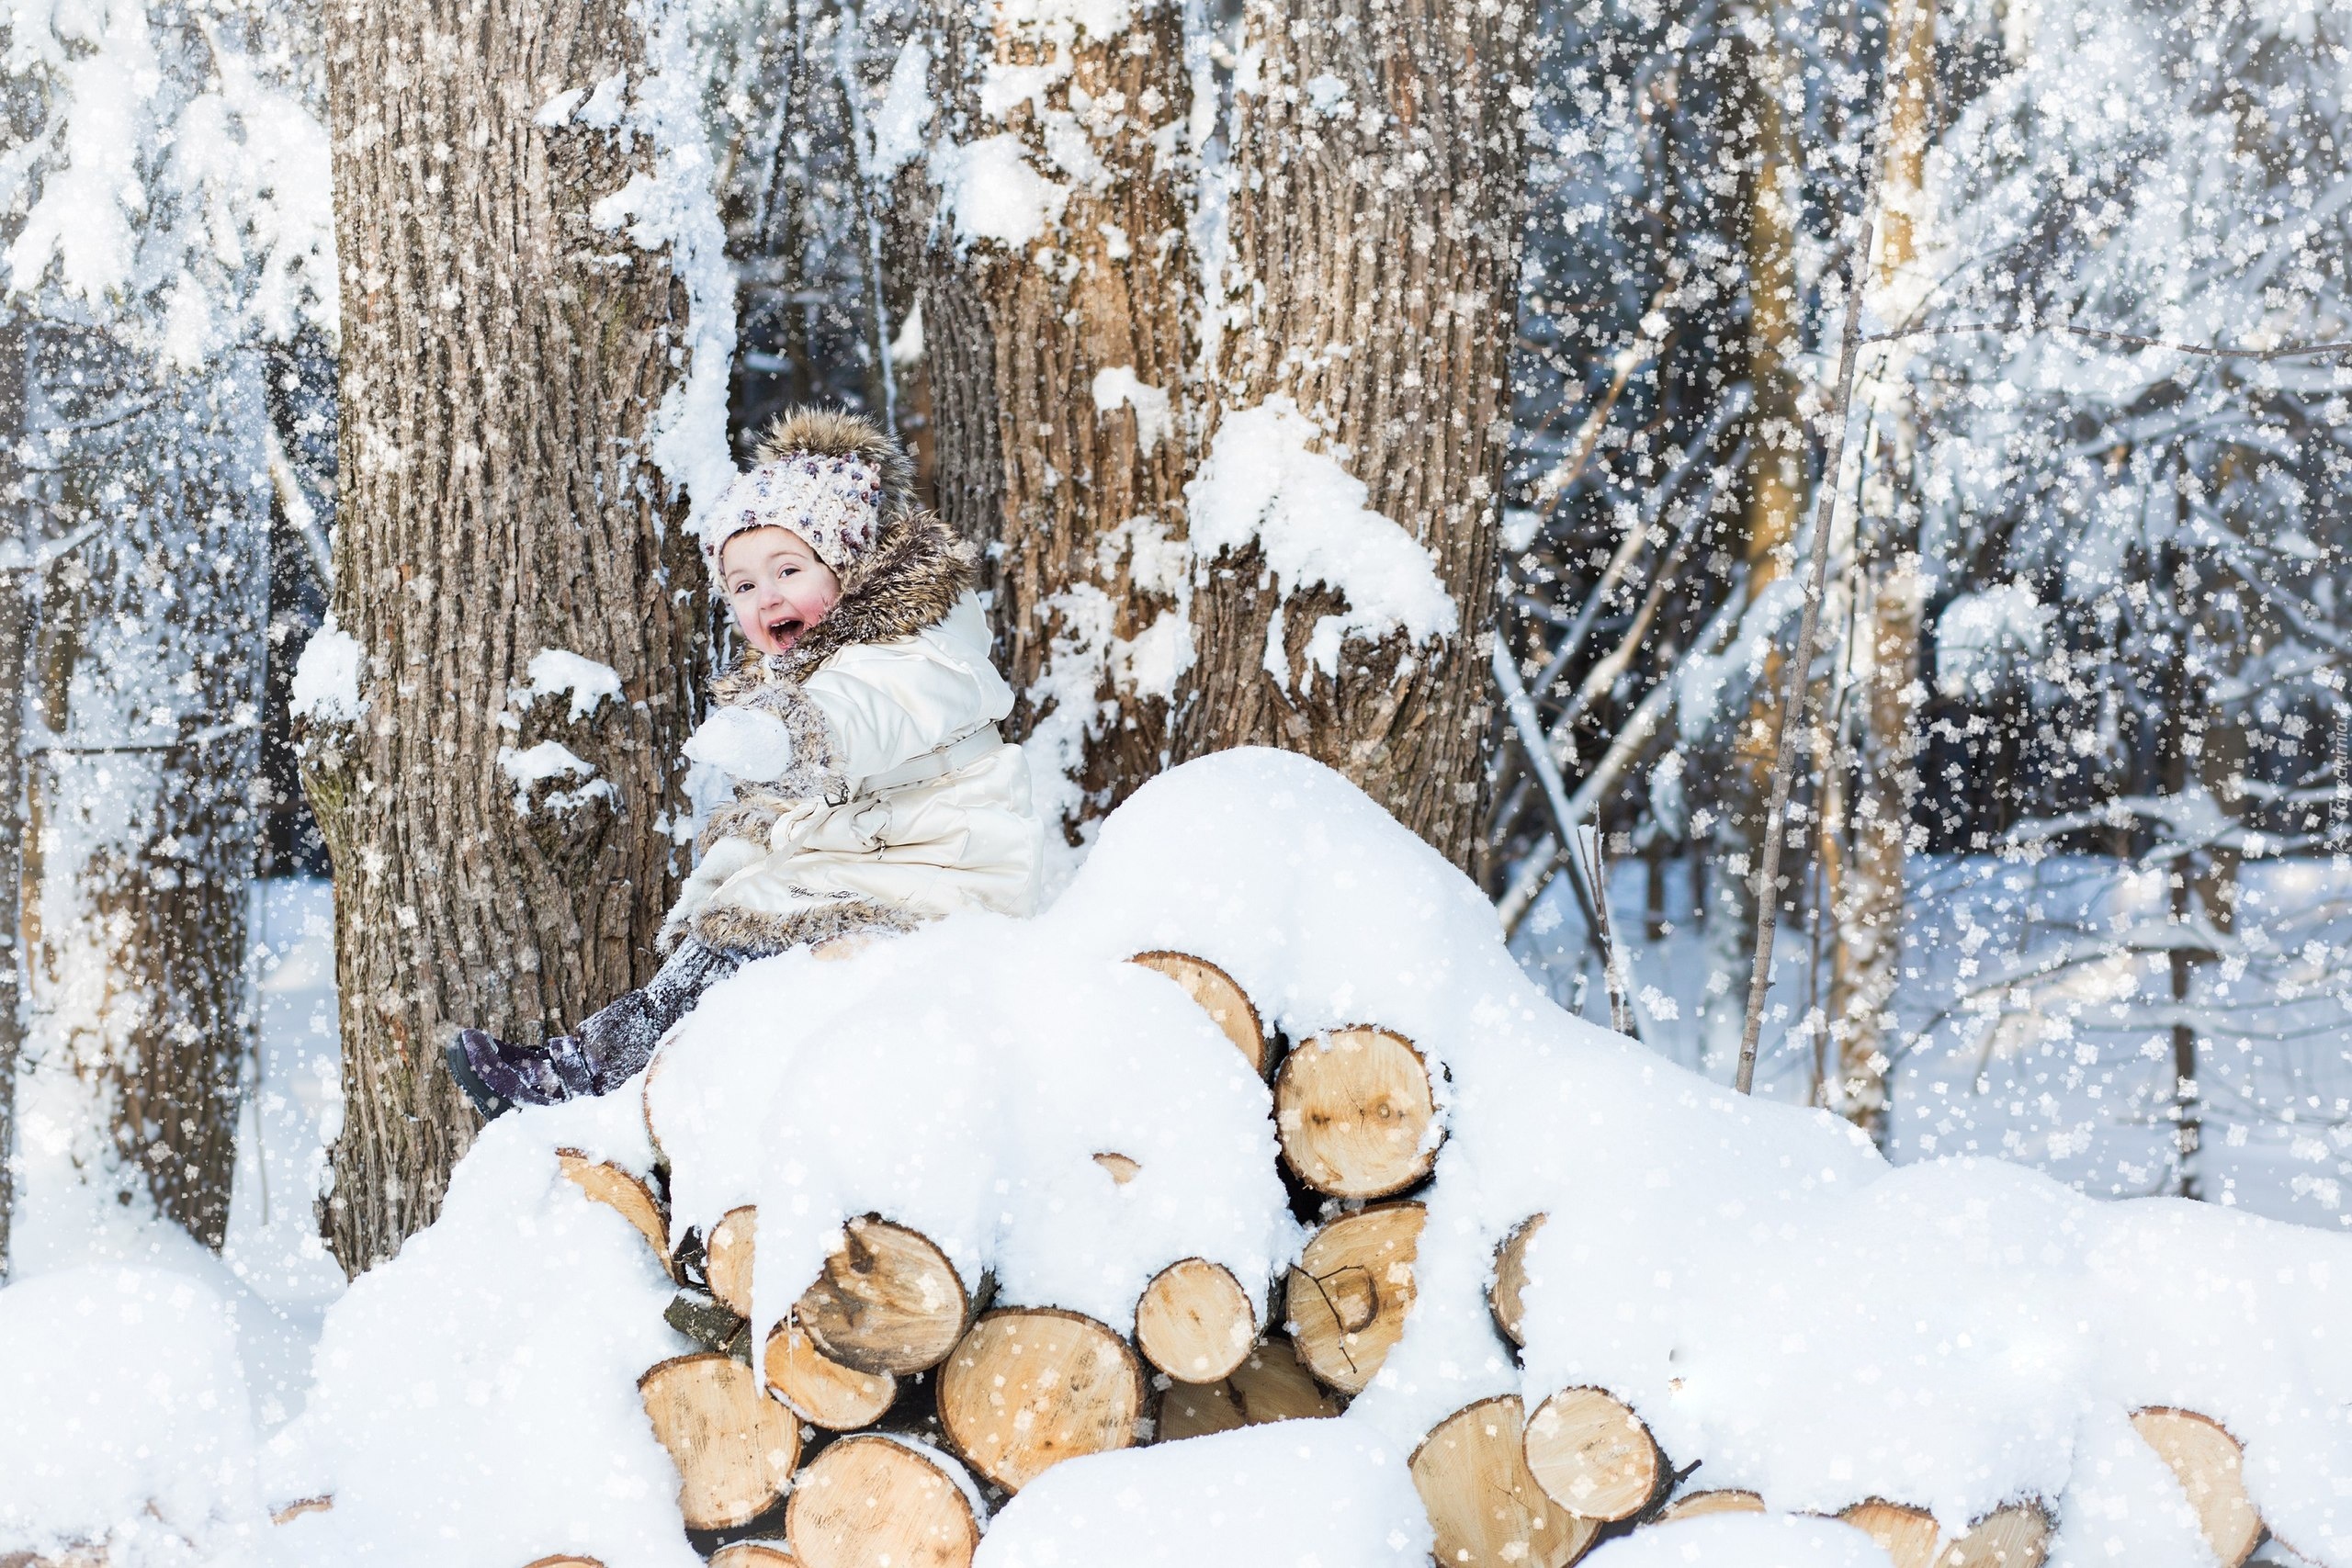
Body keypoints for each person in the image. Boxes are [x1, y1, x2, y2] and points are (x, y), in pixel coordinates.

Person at [447, 408, 1043, 1114]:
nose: (768, 597)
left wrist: (789, 735)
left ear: (848, 568)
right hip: (864, 874)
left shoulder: (920, 650)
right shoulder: (791, 682)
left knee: (734, 958)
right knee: (716, 948)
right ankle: (625, 1102)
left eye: (788, 569)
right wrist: (712, 896)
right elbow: (770, 825)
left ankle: (582, 1078)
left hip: (940, 878)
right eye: (743, 585)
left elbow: (866, 712)